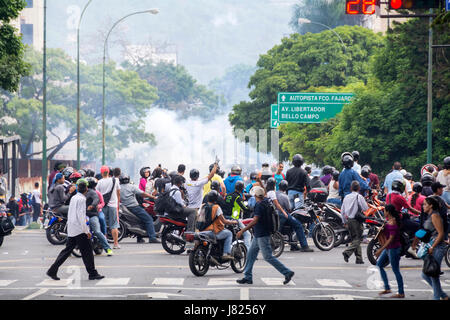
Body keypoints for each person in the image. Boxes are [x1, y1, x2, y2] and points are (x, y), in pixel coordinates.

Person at [236, 186, 295, 285]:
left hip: (262, 234)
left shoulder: (259, 205)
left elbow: (255, 220)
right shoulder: (266, 201)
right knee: (250, 255)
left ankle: (287, 272)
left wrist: (243, 230)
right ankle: (248, 277)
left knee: (268, 257)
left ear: (255, 195)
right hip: (259, 234)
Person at [46, 181, 105, 281]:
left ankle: (52, 270)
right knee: (87, 252)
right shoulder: (82, 199)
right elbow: (81, 216)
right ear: (86, 189)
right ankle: (92, 273)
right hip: (79, 230)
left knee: (66, 251)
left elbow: (72, 213)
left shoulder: (73, 198)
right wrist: (87, 231)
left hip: (72, 228)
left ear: (78, 189)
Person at [412, 196, 449, 300]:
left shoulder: (435, 216)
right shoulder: (429, 216)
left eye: (425, 204)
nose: (423, 206)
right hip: (431, 247)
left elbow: (441, 233)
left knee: (433, 275)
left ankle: (437, 297)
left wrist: (433, 246)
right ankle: (443, 295)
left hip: (437, 248)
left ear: (431, 205)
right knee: (426, 275)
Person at [375, 204, 405, 298]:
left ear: (388, 212)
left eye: (384, 211)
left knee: (396, 270)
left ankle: (401, 292)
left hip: (393, 249)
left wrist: (380, 249)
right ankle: (387, 288)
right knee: (379, 265)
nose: (383, 212)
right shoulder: (389, 221)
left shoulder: (392, 223)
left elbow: (391, 239)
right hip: (390, 248)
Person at [119, 174, 159, 243]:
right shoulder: (131, 187)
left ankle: (139, 238)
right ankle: (152, 237)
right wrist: (153, 197)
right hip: (134, 207)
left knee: (140, 220)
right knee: (149, 219)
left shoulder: (119, 188)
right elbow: (143, 193)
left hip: (125, 206)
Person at [199, 190, 238, 260]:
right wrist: (233, 222)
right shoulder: (216, 207)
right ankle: (226, 253)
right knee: (229, 233)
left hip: (201, 231)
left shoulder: (202, 206)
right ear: (216, 199)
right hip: (212, 231)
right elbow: (224, 221)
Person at [276, 179, 313, 252]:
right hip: (283, 214)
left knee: (292, 224)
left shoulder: (275, 194)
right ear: (286, 188)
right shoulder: (284, 196)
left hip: (276, 214)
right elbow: (289, 209)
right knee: (298, 225)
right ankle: (304, 246)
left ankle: (294, 245)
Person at [84, 178, 113, 256]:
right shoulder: (79, 193)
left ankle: (108, 248)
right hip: (83, 215)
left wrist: (94, 206)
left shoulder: (95, 193)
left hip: (94, 214)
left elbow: (99, 201)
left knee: (97, 229)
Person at [341, 181, 368, 264]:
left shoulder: (346, 197)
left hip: (349, 220)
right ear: (359, 188)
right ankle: (347, 252)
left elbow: (342, 211)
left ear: (351, 188)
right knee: (358, 239)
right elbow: (365, 208)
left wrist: (344, 221)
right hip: (356, 220)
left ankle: (359, 259)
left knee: (355, 239)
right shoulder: (359, 197)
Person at [96, 166, 121, 249]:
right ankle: (116, 244)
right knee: (114, 225)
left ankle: (104, 243)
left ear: (102, 173)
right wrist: (118, 203)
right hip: (113, 205)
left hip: (103, 206)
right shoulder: (115, 180)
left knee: (103, 224)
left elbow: (97, 195)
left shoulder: (99, 182)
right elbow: (118, 193)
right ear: (108, 172)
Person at [222, 180, 252, 249]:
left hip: (225, 218)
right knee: (247, 234)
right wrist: (252, 209)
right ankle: (248, 252)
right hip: (234, 220)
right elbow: (245, 208)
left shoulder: (228, 196)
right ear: (242, 189)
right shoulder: (238, 198)